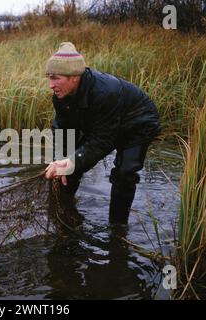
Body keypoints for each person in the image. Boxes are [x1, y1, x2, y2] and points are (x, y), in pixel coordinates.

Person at [44, 42, 161, 224]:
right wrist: (61, 161)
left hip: (137, 122)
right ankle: (63, 215)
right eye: (48, 78)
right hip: (103, 123)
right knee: (68, 167)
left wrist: (72, 161)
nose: (51, 85)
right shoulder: (60, 95)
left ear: (74, 77)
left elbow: (102, 142)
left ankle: (117, 229)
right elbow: (63, 131)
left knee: (124, 174)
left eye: (55, 78)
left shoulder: (105, 91)